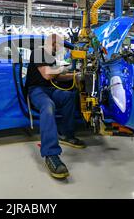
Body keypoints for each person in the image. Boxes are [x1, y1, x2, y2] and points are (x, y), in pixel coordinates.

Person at [26, 34, 85, 179]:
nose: (60, 49)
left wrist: (75, 75)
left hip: (50, 89)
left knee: (69, 96)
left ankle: (66, 134)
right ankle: (51, 154)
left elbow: (56, 77)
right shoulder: (38, 52)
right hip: (36, 91)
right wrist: (64, 68)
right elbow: (47, 74)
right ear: (53, 44)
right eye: (59, 46)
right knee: (48, 106)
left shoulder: (50, 57)